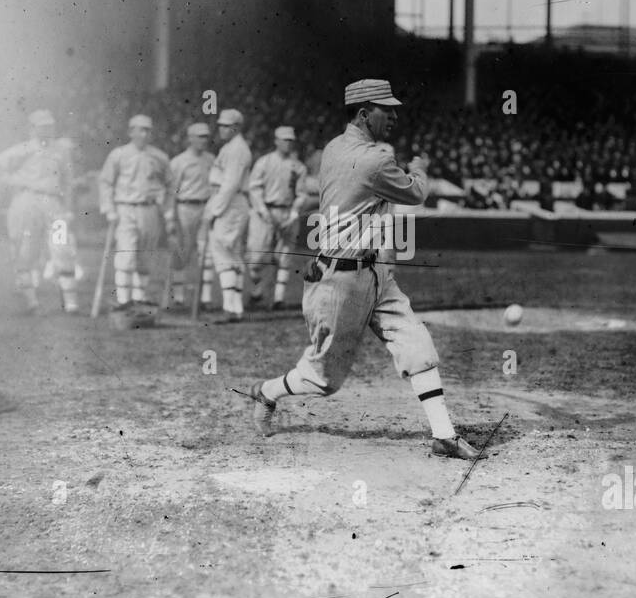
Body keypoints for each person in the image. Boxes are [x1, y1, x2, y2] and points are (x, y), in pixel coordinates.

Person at [247, 78, 485, 460]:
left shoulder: (332, 149)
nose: (393, 115)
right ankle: (267, 391)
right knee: (322, 379)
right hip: (342, 281)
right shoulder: (375, 159)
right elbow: (416, 193)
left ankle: (444, 435)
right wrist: (421, 168)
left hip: (372, 273)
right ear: (362, 113)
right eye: (385, 109)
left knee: (417, 344)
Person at [0, 109, 80, 314]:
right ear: (32, 128)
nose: (47, 129)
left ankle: (71, 303)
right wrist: (11, 180)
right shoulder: (22, 150)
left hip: (54, 204)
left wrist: (69, 209)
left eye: (49, 126)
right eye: (42, 126)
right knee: (25, 251)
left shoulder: (61, 151)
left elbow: (68, 182)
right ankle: (31, 302)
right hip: (26, 201)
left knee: (62, 247)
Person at [98, 114, 175, 312]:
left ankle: (139, 299)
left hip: (149, 209)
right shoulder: (118, 154)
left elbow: (170, 185)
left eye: (148, 130)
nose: (144, 134)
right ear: (131, 132)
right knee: (126, 253)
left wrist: (167, 211)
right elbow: (106, 182)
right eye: (140, 129)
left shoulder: (159, 156)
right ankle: (124, 300)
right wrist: (109, 209)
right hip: (125, 208)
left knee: (145, 255)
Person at [247, 126, 308, 309]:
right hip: (265, 212)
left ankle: (278, 299)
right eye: (284, 139)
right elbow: (254, 188)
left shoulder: (298, 167)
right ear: (276, 141)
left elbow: (302, 194)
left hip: (287, 212)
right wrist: (263, 212)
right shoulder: (264, 162)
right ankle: (257, 292)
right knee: (257, 255)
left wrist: (294, 214)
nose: (287, 143)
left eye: (290, 140)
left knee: (284, 255)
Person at [204, 108, 254, 323]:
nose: (222, 129)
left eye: (227, 125)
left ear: (236, 127)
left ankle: (230, 308)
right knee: (231, 253)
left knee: (223, 252)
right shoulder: (232, 147)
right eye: (221, 125)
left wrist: (214, 211)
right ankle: (235, 308)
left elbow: (230, 184)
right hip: (232, 202)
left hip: (230, 203)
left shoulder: (237, 149)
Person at [169, 122, 216, 310]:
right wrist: (171, 218)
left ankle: (205, 298)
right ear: (190, 138)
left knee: (207, 253)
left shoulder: (211, 159)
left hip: (205, 207)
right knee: (182, 252)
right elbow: (172, 192)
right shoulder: (179, 161)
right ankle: (179, 298)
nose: (204, 140)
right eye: (200, 136)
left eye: (206, 136)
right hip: (184, 208)